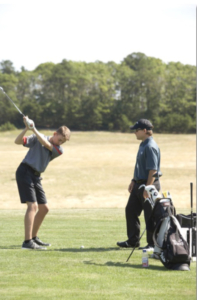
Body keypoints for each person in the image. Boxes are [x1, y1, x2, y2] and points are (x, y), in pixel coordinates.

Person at [15, 116, 71, 250]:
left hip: (36, 176)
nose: (60, 143)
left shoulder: (58, 150)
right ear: (55, 134)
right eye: (60, 139)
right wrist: (26, 128)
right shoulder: (36, 137)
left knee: (44, 208)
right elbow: (17, 141)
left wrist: (33, 129)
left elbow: (46, 144)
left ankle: (33, 238)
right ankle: (27, 242)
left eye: (63, 142)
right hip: (25, 172)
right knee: (32, 206)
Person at [117, 118, 161, 251]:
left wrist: (148, 188)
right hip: (139, 184)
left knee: (150, 215)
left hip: (149, 185)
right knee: (130, 210)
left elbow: (153, 170)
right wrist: (134, 180)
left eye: (137, 130)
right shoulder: (143, 144)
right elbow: (140, 167)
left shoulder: (150, 146)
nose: (135, 132)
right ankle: (133, 241)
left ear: (145, 131)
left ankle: (152, 244)